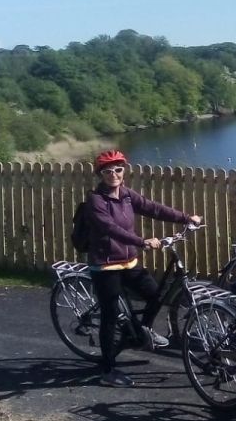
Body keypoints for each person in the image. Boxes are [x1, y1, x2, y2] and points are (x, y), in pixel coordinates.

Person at [85, 149, 203, 388]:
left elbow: (153, 208)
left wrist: (185, 218)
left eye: (118, 169)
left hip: (129, 261)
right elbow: (110, 229)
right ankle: (107, 370)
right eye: (108, 171)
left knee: (155, 295)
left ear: (124, 171)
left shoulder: (127, 195)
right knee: (109, 316)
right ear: (100, 175)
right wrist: (142, 241)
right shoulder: (95, 201)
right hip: (106, 266)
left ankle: (140, 332)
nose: (114, 175)